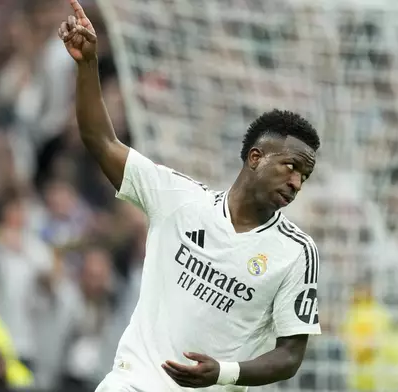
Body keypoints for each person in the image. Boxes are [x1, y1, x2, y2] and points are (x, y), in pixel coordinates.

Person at [58, 1, 321, 390]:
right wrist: (87, 66)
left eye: (305, 175)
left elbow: (289, 356)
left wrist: (224, 372)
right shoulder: (179, 199)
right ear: (255, 157)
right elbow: (101, 140)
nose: (297, 182)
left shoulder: (297, 252)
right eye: (291, 166)